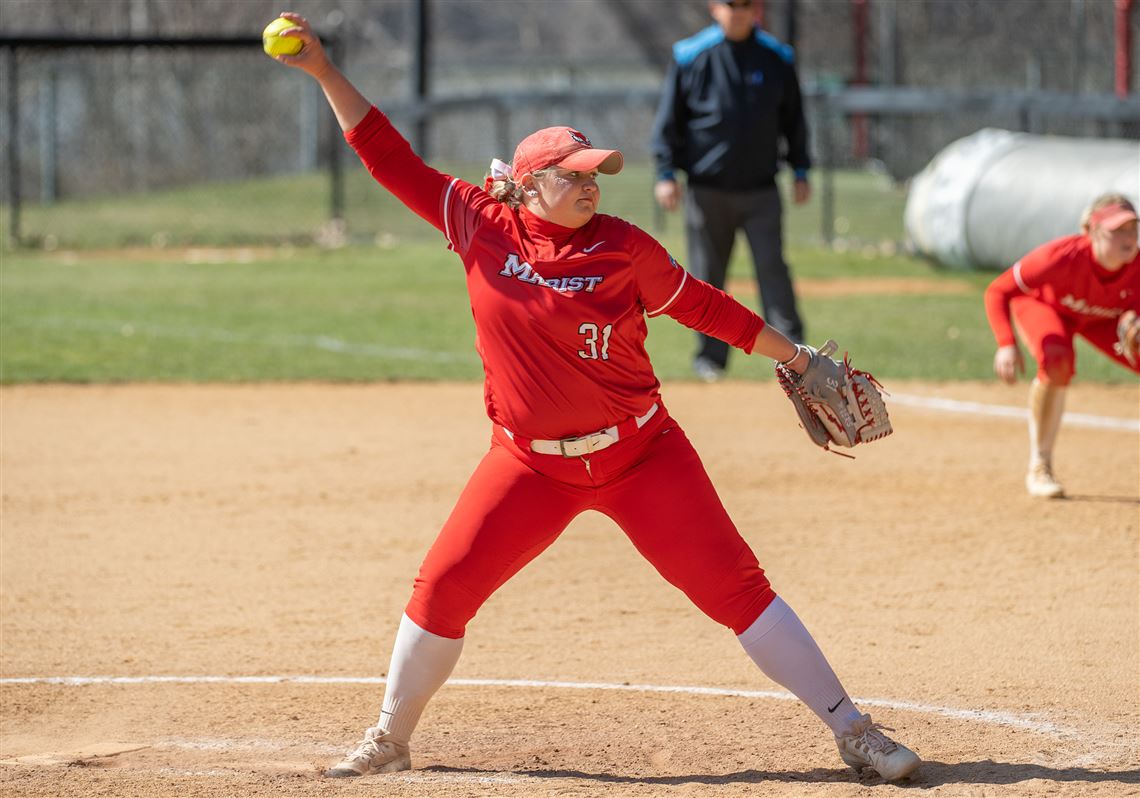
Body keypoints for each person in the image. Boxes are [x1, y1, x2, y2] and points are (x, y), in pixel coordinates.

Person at [268, 12, 920, 783]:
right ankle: (390, 738)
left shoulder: (622, 247)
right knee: (442, 588)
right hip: (528, 468)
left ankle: (854, 730)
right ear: (528, 182)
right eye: (571, 174)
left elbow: (707, 307)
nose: (588, 185)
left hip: (642, 457)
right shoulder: (478, 225)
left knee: (738, 589)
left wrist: (798, 356)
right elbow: (383, 153)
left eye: (593, 173)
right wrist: (320, 71)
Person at [650, 0, 811, 383]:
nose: (737, 11)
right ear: (713, 7)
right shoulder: (691, 55)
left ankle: (797, 358)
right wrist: (666, 172)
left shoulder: (776, 57)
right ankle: (711, 359)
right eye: (729, 3)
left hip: (761, 190)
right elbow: (670, 119)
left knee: (773, 271)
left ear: (756, 8)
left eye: (745, 4)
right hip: (707, 190)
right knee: (708, 278)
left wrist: (801, 169)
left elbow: (794, 120)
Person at [984, 194, 1140, 498]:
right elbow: (998, 291)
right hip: (1046, 307)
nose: (1128, 238)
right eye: (1117, 230)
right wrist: (1006, 343)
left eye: (1133, 230)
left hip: (1100, 318)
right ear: (1090, 231)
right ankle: (1040, 465)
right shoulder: (1058, 257)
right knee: (1057, 360)